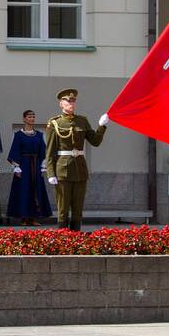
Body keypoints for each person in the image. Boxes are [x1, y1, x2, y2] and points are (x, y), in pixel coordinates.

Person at [45, 88, 108, 232]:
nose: (71, 103)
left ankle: (75, 237)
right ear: (61, 103)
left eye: (73, 100)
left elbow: (95, 141)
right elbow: (50, 151)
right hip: (62, 169)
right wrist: (50, 173)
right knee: (63, 207)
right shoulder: (54, 123)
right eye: (68, 100)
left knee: (78, 207)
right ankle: (63, 237)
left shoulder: (82, 121)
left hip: (80, 169)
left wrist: (102, 126)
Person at [6, 110, 52, 224]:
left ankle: (33, 217)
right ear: (24, 119)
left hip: (36, 165)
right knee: (23, 190)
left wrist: (43, 166)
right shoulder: (18, 135)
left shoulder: (39, 135)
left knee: (35, 190)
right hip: (24, 166)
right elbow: (15, 151)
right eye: (29, 117)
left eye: (33, 117)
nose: (32, 119)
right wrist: (16, 167)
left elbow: (43, 151)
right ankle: (23, 217)